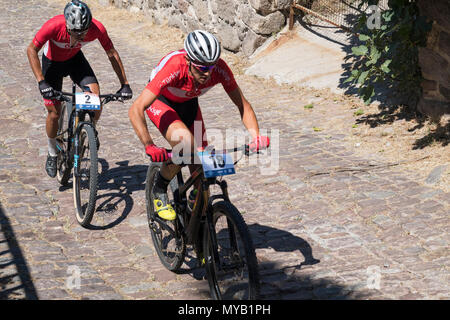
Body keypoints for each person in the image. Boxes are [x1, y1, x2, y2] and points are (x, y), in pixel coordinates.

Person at [128, 30, 270, 221]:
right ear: (188, 61)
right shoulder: (175, 67)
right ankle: (159, 188)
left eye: (211, 67)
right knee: (186, 145)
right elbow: (136, 108)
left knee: (202, 167)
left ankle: (197, 228)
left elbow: (242, 104)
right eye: (202, 68)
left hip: (189, 104)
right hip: (161, 102)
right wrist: (149, 145)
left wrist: (256, 137)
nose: (208, 73)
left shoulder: (218, 69)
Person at [26, 0, 133, 178]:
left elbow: (112, 53)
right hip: (52, 64)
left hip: (75, 61)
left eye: (84, 32)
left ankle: (89, 130)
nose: (81, 37)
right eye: (76, 33)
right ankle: (52, 152)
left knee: (96, 99)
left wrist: (125, 84)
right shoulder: (53, 25)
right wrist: (41, 81)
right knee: (54, 113)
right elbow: (31, 49)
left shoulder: (97, 28)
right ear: (67, 26)